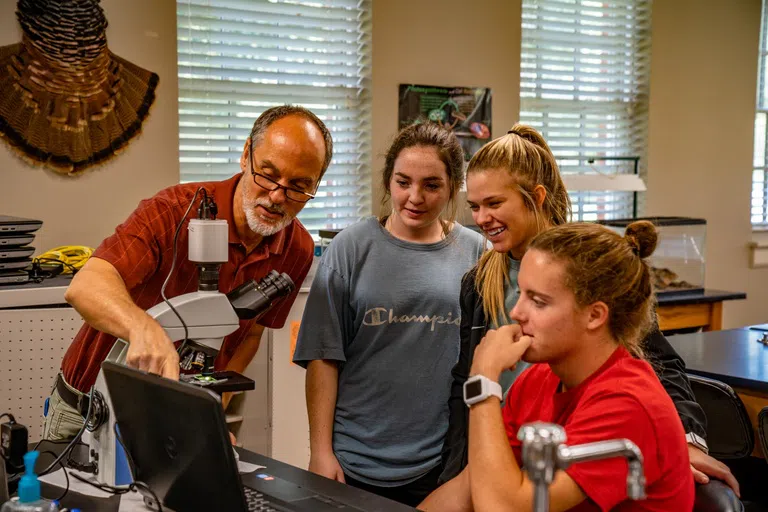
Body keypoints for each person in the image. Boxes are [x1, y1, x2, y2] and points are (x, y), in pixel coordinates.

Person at [439, 125, 739, 494]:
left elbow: (660, 362)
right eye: (475, 206)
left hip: (570, 454)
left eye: (494, 204)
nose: (482, 218)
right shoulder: (478, 282)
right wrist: (456, 469)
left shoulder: (594, 270)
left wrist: (687, 440)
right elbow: (462, 380)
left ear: (536, 197)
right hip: (503, 448)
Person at [43, 105, 332, 440]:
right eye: (267, 174)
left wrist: (210, 409)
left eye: (298, 186)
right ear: (245, 156)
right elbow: (85, 287)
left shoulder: (297, 250)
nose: (277, 196)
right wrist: (144, 330)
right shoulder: (171, 212)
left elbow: (250, 335)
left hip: (173, 419)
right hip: (88, 410)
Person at [420, 221, 695, 511]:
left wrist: (483, 381)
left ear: (594, 315)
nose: (516, 312)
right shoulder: (537, 379)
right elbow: (473, 483)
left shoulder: (627, 403)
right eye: (522, 293)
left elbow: (505, 509)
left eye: (538, 302)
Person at [292, 123, 486, 507]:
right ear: (388, 181)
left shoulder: (475, 252)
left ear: (451, 189)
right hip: (352, 459)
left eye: (432, 185)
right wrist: (321, 451)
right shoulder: (350, 248)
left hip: (438, 462)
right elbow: (322, 357)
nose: (415, 197)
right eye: (403, 182)